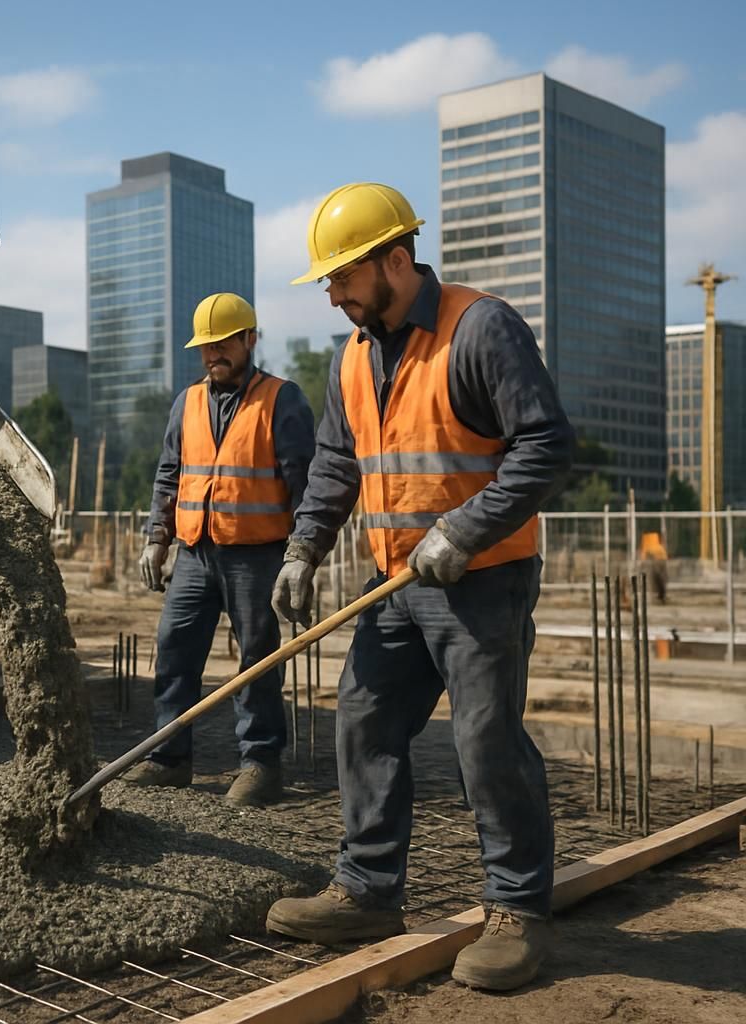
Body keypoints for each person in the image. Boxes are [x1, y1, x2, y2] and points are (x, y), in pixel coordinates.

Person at [263, 183, 574, 991]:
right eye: (327, 282)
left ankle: (516, 910)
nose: (331, 294)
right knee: (362, 722)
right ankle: (368, 890)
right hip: (395, 582)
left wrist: (465, 530)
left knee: (484, 741)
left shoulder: (482, 329)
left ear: (395, 261)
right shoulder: (355, 357)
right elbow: (338, 463)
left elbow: (544, 446)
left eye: (341, 277)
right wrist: (302, 547)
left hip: (484, 580)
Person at [127, 292, 315, 805]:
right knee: (174, 648)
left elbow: (305, 485)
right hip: (193, 552)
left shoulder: (283, 399)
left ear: (251, 339)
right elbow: (169, 475)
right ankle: (169, 758)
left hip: (256, 555)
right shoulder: (186, 403)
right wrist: (155, 538)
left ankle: (260, 764)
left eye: (225, 343)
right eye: (206, 346)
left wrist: (303, 556)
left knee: (256, 658)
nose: (215, 354)